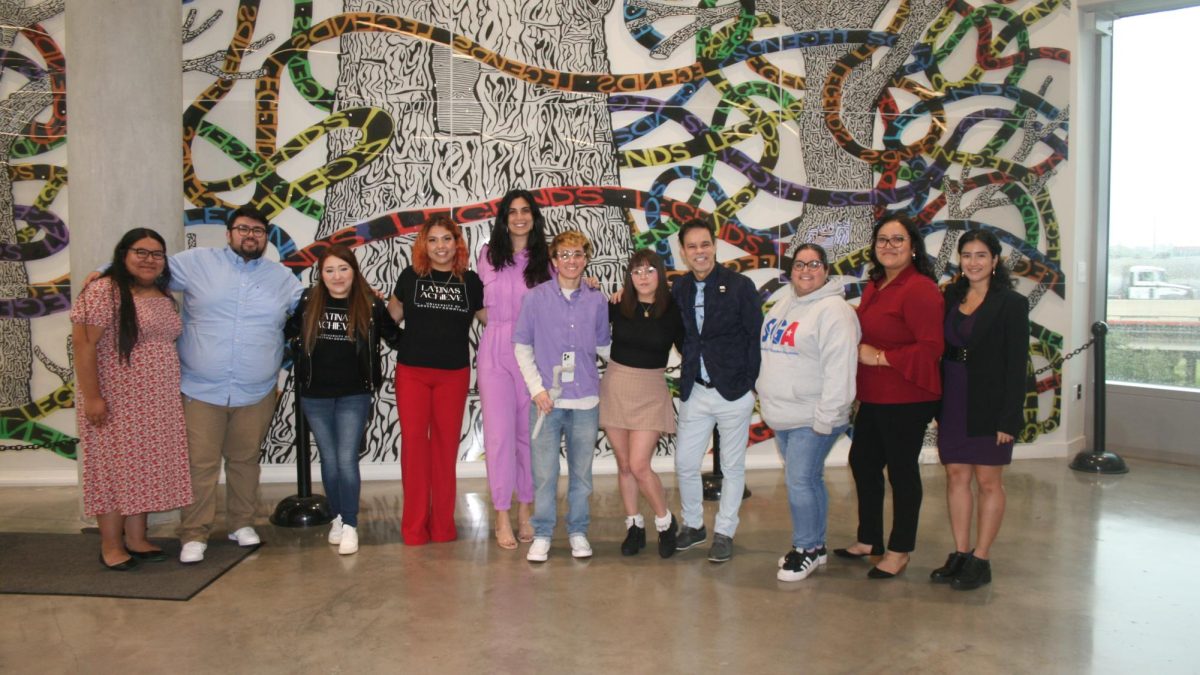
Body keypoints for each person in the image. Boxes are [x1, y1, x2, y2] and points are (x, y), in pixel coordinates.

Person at [173, 206, 304, 563]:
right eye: (244, 229)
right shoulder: (196, 262)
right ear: (229, 233)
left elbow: (311, 307)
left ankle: (241, 523)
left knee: (245, 460)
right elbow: (146, 270)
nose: (251, 235)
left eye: (258, 231)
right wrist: (103, 274)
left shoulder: (281, 278)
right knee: (200, 464)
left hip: (256, 389)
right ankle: (194, 533)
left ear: (266, 237)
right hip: (201, 388)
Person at [72, 228, 192, 570]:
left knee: (142, 470)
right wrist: (93, 398)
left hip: (156, 402)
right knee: (111, 472)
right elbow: (83, 344)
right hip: (116, 399)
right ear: (123, 254)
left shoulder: (162, 294)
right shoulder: (103, 292)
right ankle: (111, 545)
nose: (149, 259)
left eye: (156, 254)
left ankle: (137, 538)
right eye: (141, 252)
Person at [836, 214, 944, 579]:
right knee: (863, 463)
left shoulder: (921, 289)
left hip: (908, 397)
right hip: (875, 395)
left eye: (898, 240)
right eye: (882, 239)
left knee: (901, 473)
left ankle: (900, 550)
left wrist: (881, 357)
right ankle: (870, 539)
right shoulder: (876, 286)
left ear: (913, 246)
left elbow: (931, 347)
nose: (889, 246)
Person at [930, 229, 1029, 590]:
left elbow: (1018, 366)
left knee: (988, 482)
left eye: (981, 255)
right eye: (967, 255)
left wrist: (1009, 418)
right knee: (956, 475)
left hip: (990, 401)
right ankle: (960, 553)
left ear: (995, 260)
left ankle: (982, 559)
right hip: (954, 397)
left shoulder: (1011, 304)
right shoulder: (950, 296)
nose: (973, 262)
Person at [286, 244, 401, 555]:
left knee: (347, 459)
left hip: (354, 394)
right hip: (315, 395)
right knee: (329, 459)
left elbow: (395, 338)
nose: (337, 276)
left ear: (354, 271)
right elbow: (289, 332)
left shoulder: (370, 306)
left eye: (343, 269)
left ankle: (350, 523)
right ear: (321, 275)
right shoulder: (309, 302)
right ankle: (337, 518)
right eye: (329, 270)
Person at [757, 244, 860, 582]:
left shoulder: (835, 311)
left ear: (825, 269)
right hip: (784, 414)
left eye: (814, 264)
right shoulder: (786, 301)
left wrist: (826, 418)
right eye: (799, 264)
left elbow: (840, 370)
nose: (806, 270)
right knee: (808, 480)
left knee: (799, 481)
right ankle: (816, 545)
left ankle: (806, 549)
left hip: (813, 416)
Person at [514, 230, 611, 562]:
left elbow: (603, 347)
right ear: (554, 261)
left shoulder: (597, 299)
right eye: (565, 255)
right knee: (544, 474)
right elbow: (522, 346)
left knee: (582, 475)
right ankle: (542, 533)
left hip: (585, 402)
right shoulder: (535, 298)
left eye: (579, 254)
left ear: (586, 259)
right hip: (547, 402)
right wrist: (537, 389)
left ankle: (578, 531)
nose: (572, 261)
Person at [670, 218, 763, 563]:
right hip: (696, 390)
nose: (699, 252)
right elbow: (682, 334)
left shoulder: (739, 285)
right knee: (684, 464)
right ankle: (694, 526)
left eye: (704, 244)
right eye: (692, 246)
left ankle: (725, 531)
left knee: (733, 467)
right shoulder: (679, 288)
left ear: (715, 246)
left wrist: (749, 384)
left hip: (733, 391)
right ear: (683, 252)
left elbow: (755, 337)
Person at [389, 216, 484, 545]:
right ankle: (414, 529)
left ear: (457, 244)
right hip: (412, 374)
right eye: (433, 240)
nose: (440, 246)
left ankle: (443, 527)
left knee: (444, 452)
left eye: (447, 239)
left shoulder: (470, 282)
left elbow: (496, 321)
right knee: (415, 450)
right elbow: (390, 319)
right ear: (423, 245)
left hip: (453, 375)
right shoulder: (411, 276)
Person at [476, 189, 552, 549]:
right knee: (499, 437)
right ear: (503, 218)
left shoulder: (546, 259)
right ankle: (501, 514)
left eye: (526, 211)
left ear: (534, 217)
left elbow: (560, 302)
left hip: (531, 353)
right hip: (494, 350)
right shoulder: (488, 255)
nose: (519, 217)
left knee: (528, 437)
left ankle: (525, 511)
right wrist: (496, 328)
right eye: (512, 211)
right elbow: (479, 304)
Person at [600, 249, 684, 558]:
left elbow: (689, 348)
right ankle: (634, 525)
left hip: (650, 389)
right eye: (637, 271)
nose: (643, 277)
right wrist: (594, 288)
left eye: (649, 270)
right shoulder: (618, 304)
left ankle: (664, 522)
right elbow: (586, 321)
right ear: (629, 277)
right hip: (617, 385)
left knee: (639, 464)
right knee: (624, 465)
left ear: (660, 274)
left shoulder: (673, 310)